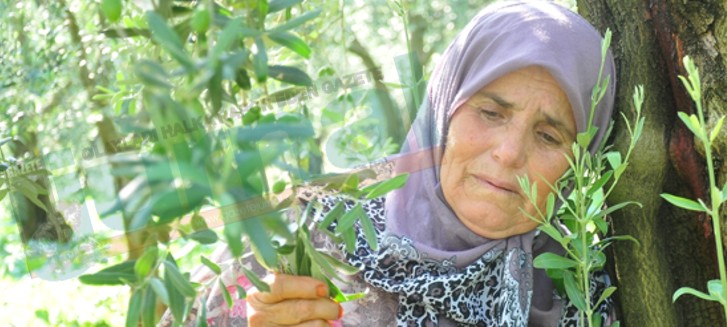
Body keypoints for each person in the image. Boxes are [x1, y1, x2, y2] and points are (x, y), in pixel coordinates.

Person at [159, 1, 617, 326]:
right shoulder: (304, 232)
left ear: (582, 161)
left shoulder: (581, 297)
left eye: (548, 135)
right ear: (443, 109)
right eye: (491, 112)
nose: (509, 152)